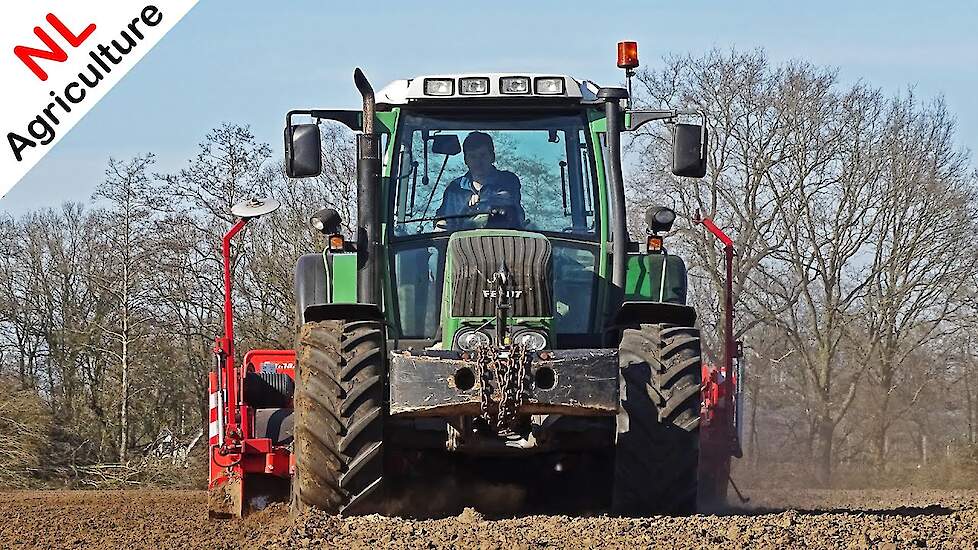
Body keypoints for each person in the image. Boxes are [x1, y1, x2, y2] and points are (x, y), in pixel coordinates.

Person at [435, 131, 523, 229]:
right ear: (465, 160)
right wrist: (442, 223)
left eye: (483, 155)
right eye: (472, 156)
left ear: (492, 157)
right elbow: (442, 221)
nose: (478, 161)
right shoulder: (454, 189)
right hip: (461, 242)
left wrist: (484, 203)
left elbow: (513, 214)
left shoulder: (508, 181)